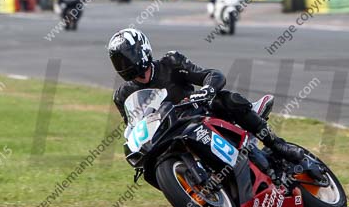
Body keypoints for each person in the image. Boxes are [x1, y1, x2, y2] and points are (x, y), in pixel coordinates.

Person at [108, 28, 304, 164]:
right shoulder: (122, 96)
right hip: (167, 136)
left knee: (224, 99)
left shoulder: (171, 62)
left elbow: (211, 75)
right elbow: (133, 128)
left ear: (142, 50)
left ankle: (277, 145)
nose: (124, 65)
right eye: (119, 62)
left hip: (199, 116)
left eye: (127, 57)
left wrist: (208, 89)